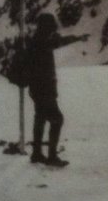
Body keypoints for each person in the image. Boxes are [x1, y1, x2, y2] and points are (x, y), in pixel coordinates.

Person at [21, 13, 87, 167]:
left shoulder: (35, 40)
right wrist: (77, 38)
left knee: (41, 117)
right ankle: (51, 156)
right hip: (45, 89)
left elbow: (57, 42)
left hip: (36, 89)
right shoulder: (42, 41)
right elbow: (58, 42)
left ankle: (37, 154)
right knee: (57, 119)